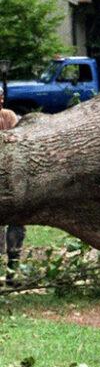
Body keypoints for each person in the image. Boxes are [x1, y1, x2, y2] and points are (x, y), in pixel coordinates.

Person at [0, 89, 26, 282]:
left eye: (1, 97)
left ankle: (12, 270)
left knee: (17, 221)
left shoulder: (8, 116)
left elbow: (19, 140)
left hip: (11, 177)